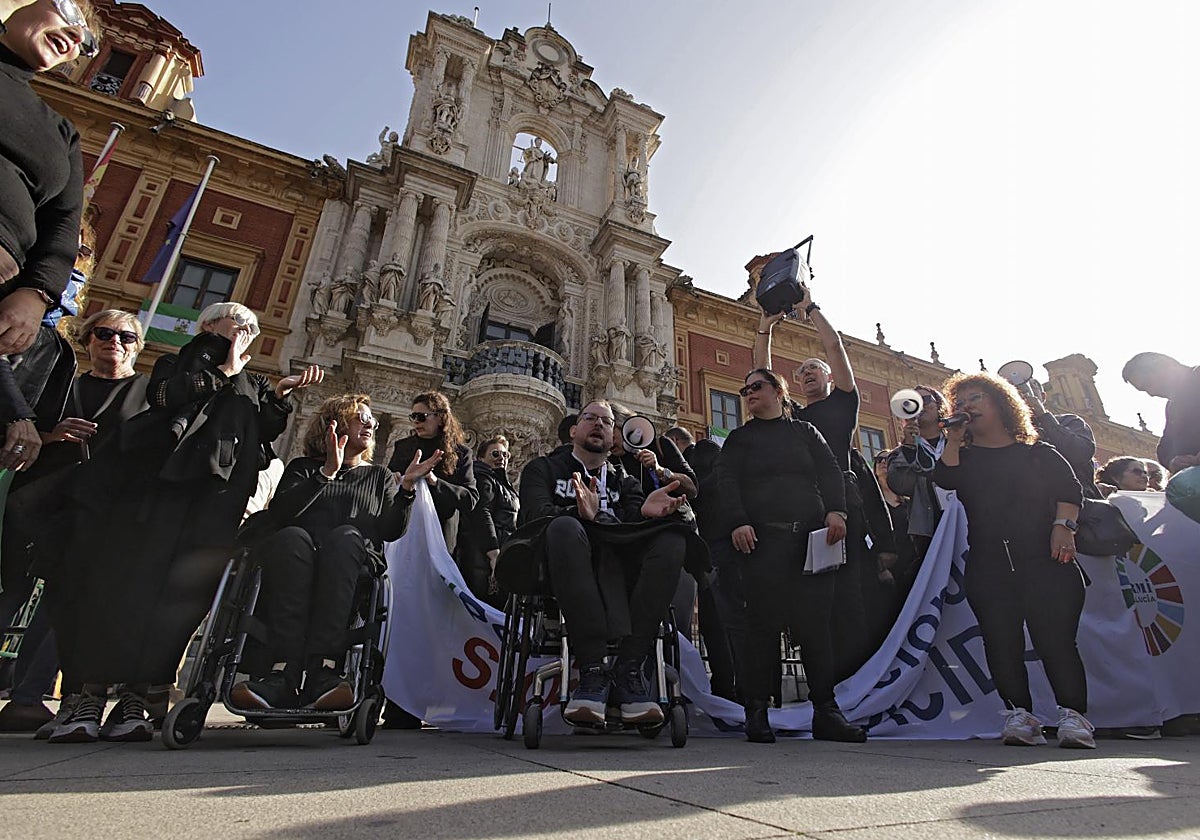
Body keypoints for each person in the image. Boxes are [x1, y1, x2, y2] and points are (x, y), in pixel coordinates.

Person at [48, 302, 323, 743]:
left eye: (251, 326)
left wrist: (280, 395)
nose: (247, 330)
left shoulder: (252, 380)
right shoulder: (177, 363)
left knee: (181, 601)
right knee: (127, 588)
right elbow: (164, 399)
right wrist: (228, 369)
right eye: (239, 322)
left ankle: (141, 696)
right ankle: (89, 696)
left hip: (217, 501)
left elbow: (263, 429)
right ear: (211, 325)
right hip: (160, 490)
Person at [500, 401, 705, 727]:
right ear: (574, 430)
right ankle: (593, 668)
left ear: (614, 438)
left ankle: (629, 666)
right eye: (590, 418)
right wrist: (579, 515)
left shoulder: (625, 481)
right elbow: (533, 516)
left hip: (621, 571)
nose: (597, 424)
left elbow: (633, 523)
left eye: (606, 422)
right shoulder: (543, 469)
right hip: (562, 569)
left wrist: (643, 514)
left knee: (672, 539)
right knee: (567, 528)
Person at [231, 395, 439, 711]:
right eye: (361, 417)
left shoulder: (378, 476)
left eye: (373, 420)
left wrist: (407, 489)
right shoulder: (302, 468)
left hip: (350, 566)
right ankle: (281, 672)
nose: (370, 424)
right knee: (292, 538)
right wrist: (327, 472)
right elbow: (283, 512)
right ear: (336, 423)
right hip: (295, 559)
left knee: (345, 538)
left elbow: (390, 531)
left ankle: (323, 669)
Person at [0, 308, 148, 734]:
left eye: (124, 337)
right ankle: (27, 698)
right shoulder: (64, 386)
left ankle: (44, 697)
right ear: (88, 340)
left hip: (111, 514)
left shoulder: (146, 393)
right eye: (103, 334)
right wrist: (51, 435)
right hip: (55, 508)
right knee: (40, 600)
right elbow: (23, 435)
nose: (113, 342)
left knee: (73, 604)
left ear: (138, 346)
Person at [933, 372, 1094, 749]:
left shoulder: (1038, 454)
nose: (966, 407)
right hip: (989, 563)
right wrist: (953, 437)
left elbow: (1069, 492)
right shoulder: (965, 457)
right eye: (960, 402)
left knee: (1055, 639)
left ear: (1001, 404)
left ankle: (1073, 715)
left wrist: (1063, 526)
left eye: (975, 399)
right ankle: (1018, 713)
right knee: (1000, 641)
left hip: (1045, 558)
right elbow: (945, 479)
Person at [714, 368, 865, 744]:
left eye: (756, 387)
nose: (748, 394)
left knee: (817, 629)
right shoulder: (739, 438)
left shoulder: (805, 432)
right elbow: (725, 482)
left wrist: (838, 511)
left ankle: (826, 712)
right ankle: (757, 709)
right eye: (744, 388)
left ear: (779, 392)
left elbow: (830, 471)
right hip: (762, 543)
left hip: (810, 540)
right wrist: (737, 522)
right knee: (761, 629)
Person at [753, 281, 883, 682]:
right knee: (809, 602)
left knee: (847, 598)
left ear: (828, 378)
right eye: (801, 371)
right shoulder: (793, 418)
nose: (807, 373)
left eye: (814, 370)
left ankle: (856, 681)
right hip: (801, 510)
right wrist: (765, 326)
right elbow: (763, 375)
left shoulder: (843, 405)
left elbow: (835, 350)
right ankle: (823, 687)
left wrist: (812, 309)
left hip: (841, 504)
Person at [0, 0, 98, 368]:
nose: (76, 36)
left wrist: (35, 292)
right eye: (70, 14)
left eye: (86, 43)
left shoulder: (62, 133)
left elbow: (63, 222)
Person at [384, 390, 476, 727]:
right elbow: (388, 485)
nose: (416, 422)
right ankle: (391, 698)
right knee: (400, 617)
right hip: (405, 540)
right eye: (413, 417)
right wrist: (404, 479)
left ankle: (420, 702)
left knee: (431, 622)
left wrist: (435, 481)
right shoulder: (404, 449)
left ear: (441, 416)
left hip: (439, 545)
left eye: (422, 416)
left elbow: (469, 499)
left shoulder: (461, 454)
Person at [886, 386, 950, 574]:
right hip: (929, 529)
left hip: (967, 519)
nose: (921, 405)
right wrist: (909, 447)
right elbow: (900, 485)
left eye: (926, 400)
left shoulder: (958, 441)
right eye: (914, 402)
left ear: (938, 405)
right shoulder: (900, 453)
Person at [1017, 377, 1102, 499]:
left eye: (1031, 388)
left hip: (1082, 502)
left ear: (1043, 396)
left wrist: (1043, 416)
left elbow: (1079, 453)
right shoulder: (1009, 431)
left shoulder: (1070, 421)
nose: (1025, 394)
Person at [461, 434, 519, 605]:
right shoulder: (483, 478)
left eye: (505, 455)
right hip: (483, 559)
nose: (501, 458)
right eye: (495, 454)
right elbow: (481, 512)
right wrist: (493, 553)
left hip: (501, 553)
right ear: (480, 458)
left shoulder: (501, 483)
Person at [1122, 352, 1200, 473]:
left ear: (1165, 366)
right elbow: (1165, 448)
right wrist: (1173, 461)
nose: (1151, 393)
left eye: (1148, 384)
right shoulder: (1172, 406)